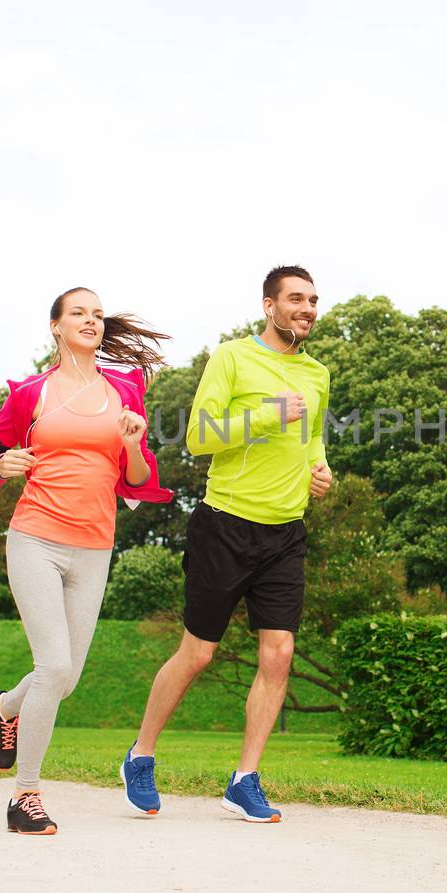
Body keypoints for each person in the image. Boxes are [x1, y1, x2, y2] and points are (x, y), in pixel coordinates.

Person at [120, 265, 332, 823]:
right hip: (226, 525)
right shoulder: (232, 357)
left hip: (286, 531)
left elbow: (312, 437)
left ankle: (245, 778)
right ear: (269, 306)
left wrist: (320, 468)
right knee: (198, 654)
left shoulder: (317, 374)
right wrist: (265, 415)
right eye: (295, 299)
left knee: (279, 651)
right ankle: (140, 756)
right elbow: (198, 435)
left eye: (312, 299)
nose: (307, 308)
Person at [0, 287, 172, 835]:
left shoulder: (125, 389)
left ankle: (6, 708)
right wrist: (2, 463)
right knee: (54, 666)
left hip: (95, 546)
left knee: (65, 678)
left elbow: (139, 480)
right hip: (35, 538)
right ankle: (24, 796)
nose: (91, 320)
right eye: (79, 313)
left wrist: (132, 445)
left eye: (98, 314)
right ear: (56, 327)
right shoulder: (30, 392)